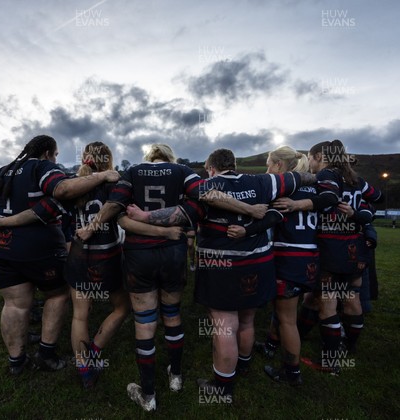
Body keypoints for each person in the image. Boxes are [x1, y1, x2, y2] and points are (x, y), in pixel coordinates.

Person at [79, 144, 268, 411]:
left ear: (149, 158)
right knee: (172, 314)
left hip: (139, 255)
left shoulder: (133, 171)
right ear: (169, 157)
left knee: (144, 323)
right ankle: (176, 377)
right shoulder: (181, 171)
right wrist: (249, 210)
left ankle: (148, 395)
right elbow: (208, 194)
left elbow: (115, 206)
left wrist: (90, 227)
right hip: (174, 253)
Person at [126, 148, 315, 401]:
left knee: (225, 326)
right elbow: (300, 178)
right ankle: (244, 365)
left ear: (211, 168)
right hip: (258, 262)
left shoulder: (207, 187)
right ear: (234, 164)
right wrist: (324, 180)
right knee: (247, 320)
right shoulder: (261, 180)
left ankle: (223, 386)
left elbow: (180, 215)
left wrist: (146, 215)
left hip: (222, 265)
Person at [0, 142, 138, 388]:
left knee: (80, 315)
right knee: (121, 308)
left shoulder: (70, 186)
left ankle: (83, 367)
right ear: (108, 159)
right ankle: (94, 351)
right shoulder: (116, 184)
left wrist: (5, 221)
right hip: (107, 257)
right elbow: (122, 211)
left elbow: (39, 212)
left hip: (78, 257)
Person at [273, 139, 381, 371]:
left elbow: (329, 198)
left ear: (320, 156)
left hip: (333, 247)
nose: (309, 163)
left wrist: (298, 205)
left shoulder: (326, 176)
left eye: (310, 157)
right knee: (350, 297)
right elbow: (378, 197)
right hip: (356, 247)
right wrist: (361, 213)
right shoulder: (356, 180)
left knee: (328, 304)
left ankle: (331, 362)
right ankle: (346, 347)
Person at [234, 146, 317, 386]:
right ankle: (271, 345)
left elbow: (270, 218)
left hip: (289, 258)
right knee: (282, 312)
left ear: (280, 166)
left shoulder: (282, 191)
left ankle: (292, 373)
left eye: (270, 164)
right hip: (310, 257)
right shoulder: (312, 188)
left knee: (287, 319)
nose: (267, 169)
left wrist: (245, 229)